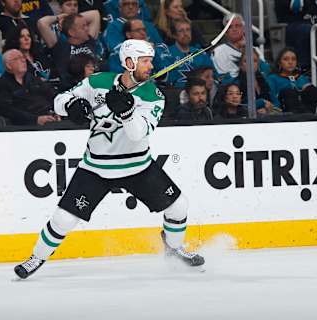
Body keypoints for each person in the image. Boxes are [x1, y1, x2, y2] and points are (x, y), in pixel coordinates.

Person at [13, 39, 205, 279]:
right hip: (96, 167)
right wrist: (73, 105)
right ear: (129, 62)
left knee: (179, 206)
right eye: (145, 61)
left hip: (138, 166)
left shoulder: (153, 96)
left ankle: (174, 248)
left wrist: (126, 112)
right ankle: (36, 258)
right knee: (63, 219)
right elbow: (59, 101)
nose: (150, 66)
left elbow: (138, 134)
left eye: (151, 61)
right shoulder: (98, 81)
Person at [0, 49, 60, 125]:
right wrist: (36, 119)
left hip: (50, 117)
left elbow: (51, 94)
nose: (23, 60)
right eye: (17, 58)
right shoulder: (2, 84)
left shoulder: (34, 79)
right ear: (8, 65)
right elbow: (7, 110)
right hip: (27, 124)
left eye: (23, 57)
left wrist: (58, 111)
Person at [267, 47, 317, 114]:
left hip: (305, 107)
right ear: (279, 63)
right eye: (286, 59)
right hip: (285, 108)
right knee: (289, 92)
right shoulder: (272, 78)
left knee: (311, 89)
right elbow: (272, 98)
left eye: (293, 59)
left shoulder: (302, 78)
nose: (290, 62)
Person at [167, 19, 213, 88]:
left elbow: (212, 75)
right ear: (174, 35)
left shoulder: (201, 54)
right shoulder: (167, 54)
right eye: (181, 31)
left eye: (188, 30)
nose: (185, 33)